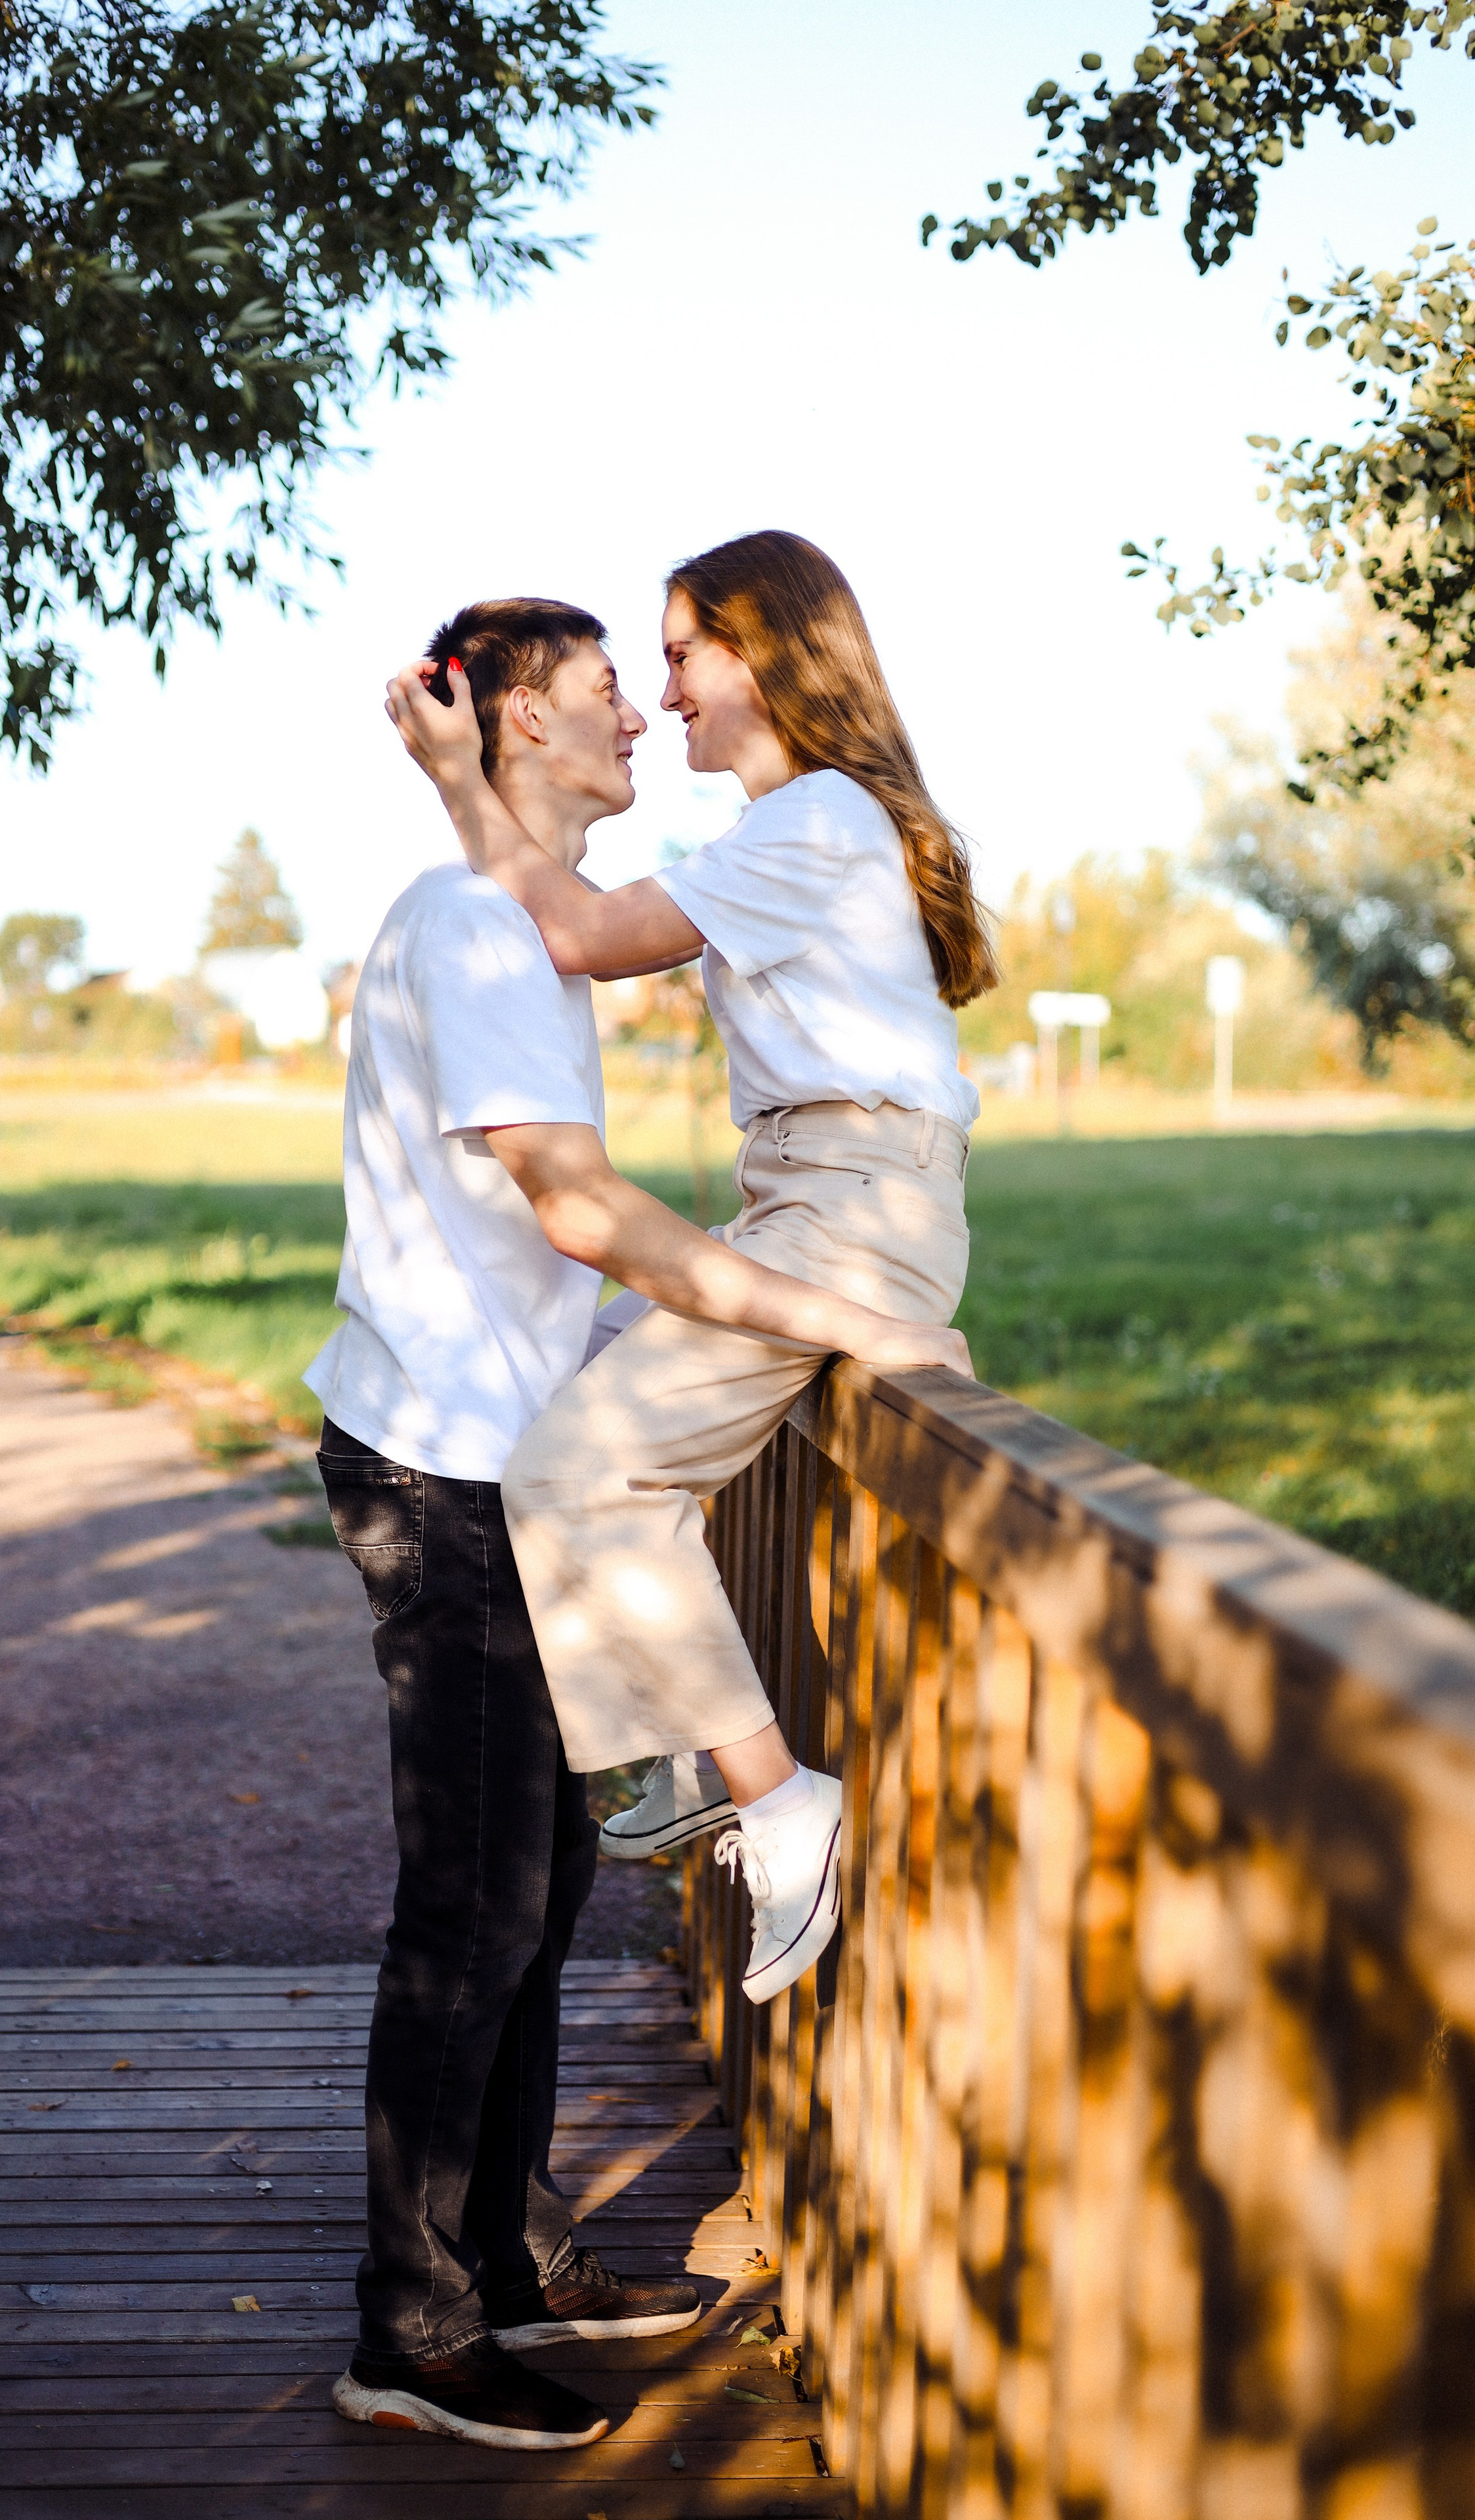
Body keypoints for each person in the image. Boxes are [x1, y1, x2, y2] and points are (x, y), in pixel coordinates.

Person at [310, 593, 970, 2456]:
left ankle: (506, 2256)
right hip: (446, 1474)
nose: (634, 717)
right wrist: (820, 1315)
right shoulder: (479, 929)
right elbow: (584, 1212)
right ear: (518, 721)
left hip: (483, 1444)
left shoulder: (508, 916)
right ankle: (416, 2328)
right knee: (473, 1911)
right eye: (607, 687)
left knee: (533, 1892)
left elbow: (544, 1232)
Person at [384, 529, 997, 2014]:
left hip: (853, 1202)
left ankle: (776, 1794)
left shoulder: (819, 819)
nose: (662, 697)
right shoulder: (792, 826)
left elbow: (584, 935)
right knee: (582, 1393)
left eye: (678, 657)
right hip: (807, 1193)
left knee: (580, 1470)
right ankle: (676, 1743)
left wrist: (460, 780)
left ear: (762, 655)